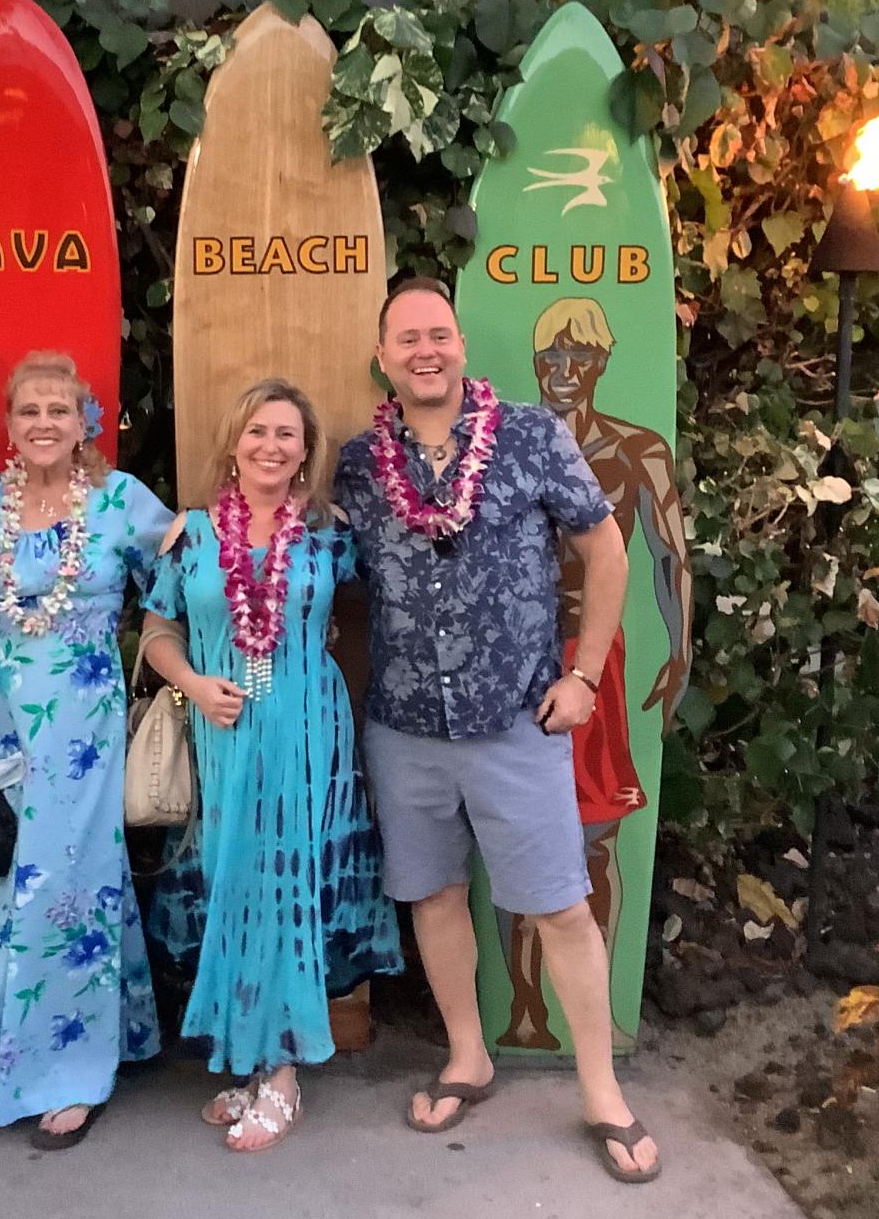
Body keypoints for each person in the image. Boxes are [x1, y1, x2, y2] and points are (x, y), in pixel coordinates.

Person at [335, 277, 662, 1184]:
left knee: (559, 905)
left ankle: (601, 1093)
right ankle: (467, 1056)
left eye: (438, 334)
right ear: (383, 357)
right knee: (435, 896)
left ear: (461, 346)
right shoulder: (359, 464)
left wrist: (584, 676)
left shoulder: (529, 436)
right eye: (407, 338)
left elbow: (605, 549)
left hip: (516, 718)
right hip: (404, 725)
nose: (425, 350)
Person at [140, 378, 402, 1154]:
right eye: (258, 430)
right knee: (235, 885)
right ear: (234, 441)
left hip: (307, 733)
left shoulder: (331, 534)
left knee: (291, 884)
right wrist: (192, 684)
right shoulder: (190, 533)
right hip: (221, 733)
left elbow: (397, 600)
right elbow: (157, 629)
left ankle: (283, 1076)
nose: (271, 446)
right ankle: (252, 1059)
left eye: (287, 434)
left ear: (306, 451)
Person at [0, 352, 173, 1149]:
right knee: (6, 883)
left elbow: (184, 571)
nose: (43, 423)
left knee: (68, 883)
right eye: (29, 410)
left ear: (83, 424)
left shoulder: (119, 501)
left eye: (58, 410)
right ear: (9, 423)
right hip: (1, 723)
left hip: (82, 728)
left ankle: (70, 1073)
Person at [494, 298, 691, 1052]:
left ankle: (597, 1013)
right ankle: (524, 1010)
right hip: (514, 658)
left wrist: (680, 650)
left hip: (592, 655)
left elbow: (670, 557)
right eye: (552, 355)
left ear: (603, 361)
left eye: (580, 355)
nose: (564, 370)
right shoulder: (504, 448)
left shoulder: (636, 450)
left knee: (594, 841)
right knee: (519, 840)